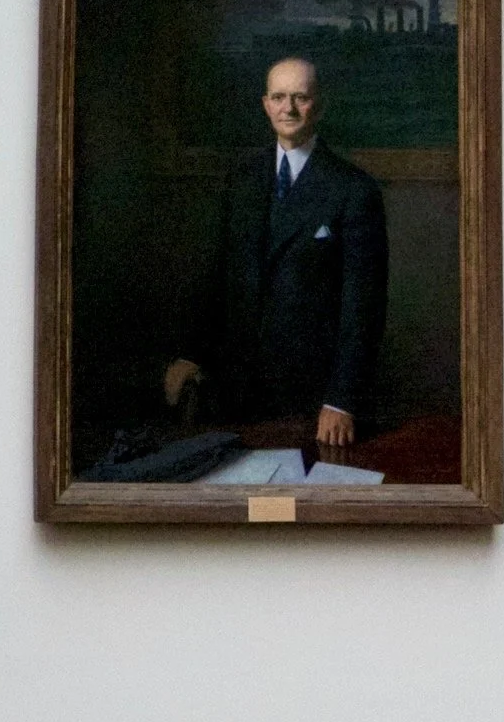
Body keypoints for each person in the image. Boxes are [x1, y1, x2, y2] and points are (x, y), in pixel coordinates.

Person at [165, 56, 387, 448]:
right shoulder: (241, 180)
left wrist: (341, 399)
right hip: (236, 387)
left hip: (313, 399)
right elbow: (216, 274)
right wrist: (191, 353)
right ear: (266, 104)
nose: (289, 108)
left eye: (300, 97)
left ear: (319, 106)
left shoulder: (353, 189)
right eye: (279, 97)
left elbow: (363, 307)